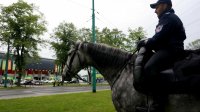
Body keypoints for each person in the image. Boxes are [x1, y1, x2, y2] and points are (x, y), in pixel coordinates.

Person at [136, 0, 186, 112]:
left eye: (156, 7)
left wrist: (143, 43)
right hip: (170, 49)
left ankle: (158, 104)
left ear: (164, 5)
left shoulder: (168, 18)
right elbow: (160, 38)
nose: (155, 11)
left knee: (149, 67)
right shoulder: (170, 18)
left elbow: (157, 39)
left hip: (171, 51)